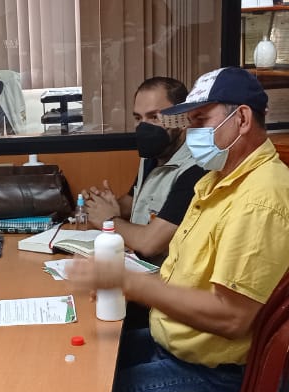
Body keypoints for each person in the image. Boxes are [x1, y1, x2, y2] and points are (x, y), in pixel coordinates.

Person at [68, 67, 289, 392]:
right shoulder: (217, 181)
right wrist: (123, 284)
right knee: (85, 364)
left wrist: (129, 282)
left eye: (201, 120)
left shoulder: (261, 202)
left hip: (217, 379)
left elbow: (230, 317)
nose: (190, 132)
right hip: (178, 345)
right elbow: (181, 274)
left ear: (242, 119)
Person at [81, 77, 205, 263]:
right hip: (135, 261)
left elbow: (149, 244)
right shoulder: (152, 156)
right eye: (138, 118)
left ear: (182, 119)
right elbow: (133, 202)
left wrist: (109, 219)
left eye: (154, 117)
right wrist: (103, 204)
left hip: (165, 275)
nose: (144, 127)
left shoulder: (196, 170)